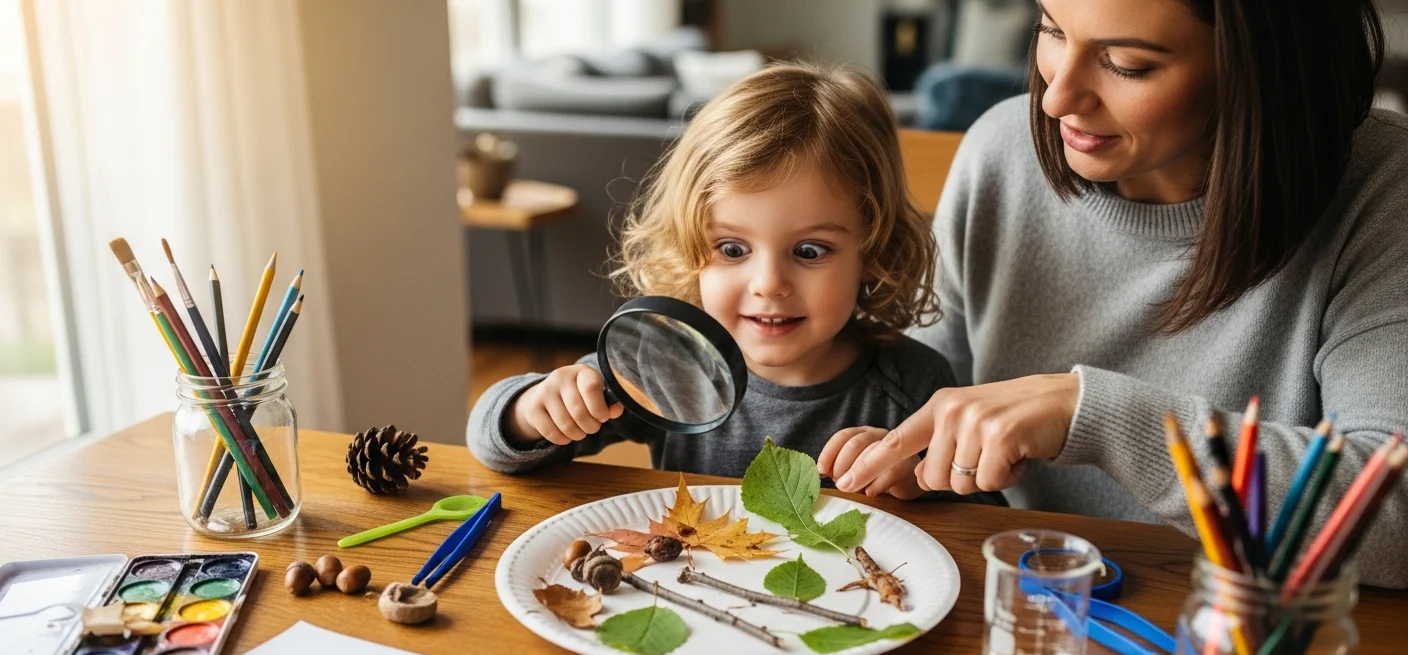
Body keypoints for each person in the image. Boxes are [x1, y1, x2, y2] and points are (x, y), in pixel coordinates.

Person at [833, 0, 1408, 587]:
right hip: (1026, 606)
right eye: (1052, 30)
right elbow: (925, 406)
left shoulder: (1383, 192)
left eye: (1126, 64)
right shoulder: (999, 155)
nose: (1056, 98)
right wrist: (911, 456)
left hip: (1246, 639)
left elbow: (1397, 520)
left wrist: (1098, 419)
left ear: (1260, 70)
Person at [468, 63, 1001, 504]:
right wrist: (533, 410)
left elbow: (982, 516)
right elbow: (492, 445)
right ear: (691, 249)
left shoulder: (914, 387)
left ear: (872, 254)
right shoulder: (664, 365)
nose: (769, 283)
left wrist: (924, 480)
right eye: (732, 249)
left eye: (810, 251)